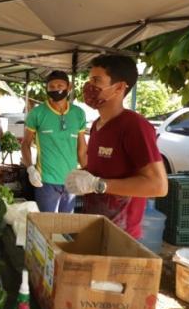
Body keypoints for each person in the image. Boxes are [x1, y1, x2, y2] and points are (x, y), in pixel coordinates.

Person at [65, 55, 168, 239]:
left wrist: (98, 185)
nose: (89, 87)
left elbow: (158, 186)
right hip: (95, 226)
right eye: (89, 80)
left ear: (119, 87)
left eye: (97, 80)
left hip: (121, 235)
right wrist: (83, 175)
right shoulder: (97, 126)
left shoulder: (134, 126)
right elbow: (103, 171)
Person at [21, 70, 87, 213]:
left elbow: (82, 149)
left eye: (60, 85)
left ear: (69, 87)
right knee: (46, 228)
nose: (56, 89)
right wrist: (30, 169)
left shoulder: (78, 113)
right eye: (51, 87)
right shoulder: (37, 113)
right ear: (47, 89)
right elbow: (25, 144)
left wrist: (88, 172)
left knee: (66, 226)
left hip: (71, 182)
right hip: (46, 182)